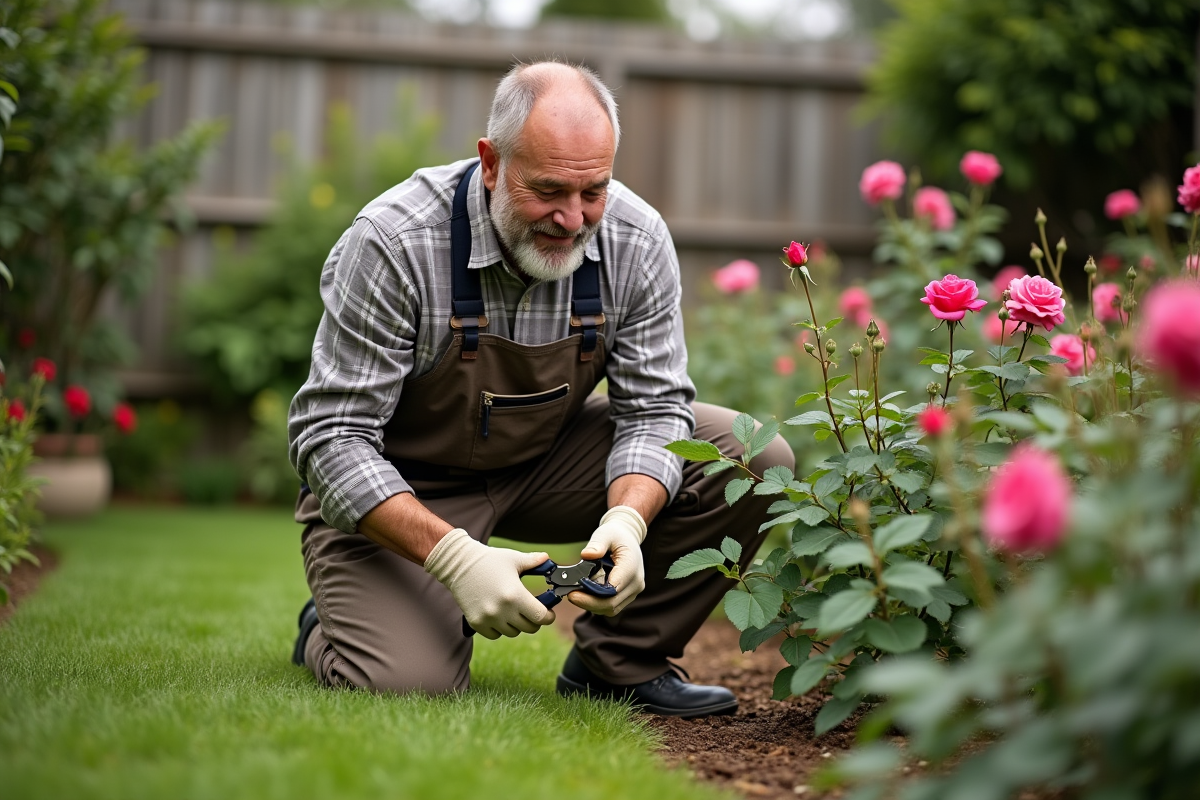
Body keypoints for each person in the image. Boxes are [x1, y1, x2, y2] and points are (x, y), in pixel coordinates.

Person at [287, 60, 794, 718]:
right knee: (407, 684)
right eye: (550, 190)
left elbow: (655, 410)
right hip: (405, 491)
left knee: (749, 455)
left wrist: (628, 519)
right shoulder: (394, 242)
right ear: (492, 163)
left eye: (594, 191)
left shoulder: (635, 241)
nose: (573, 218)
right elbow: (330, 437)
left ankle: (617, 664)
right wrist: (451, 557)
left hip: (542, 467)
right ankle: (333, 623)